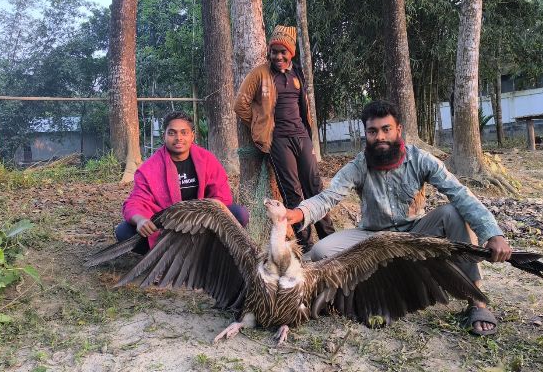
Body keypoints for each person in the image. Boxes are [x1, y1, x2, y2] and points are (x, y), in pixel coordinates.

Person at [285, 100, 512, 336]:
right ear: (366, 134)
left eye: (386, 129)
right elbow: (328, 198)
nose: (380, 137)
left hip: (416, 235)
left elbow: (460, 194)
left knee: (453, 213)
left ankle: (477, 303)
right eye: (373, 131)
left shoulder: (421, 160)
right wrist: (297, 213)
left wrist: (493, 233)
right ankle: (362, 298)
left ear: (398, 130)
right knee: (322, 251)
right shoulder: (359, 165)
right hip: (372, 237)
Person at [233, 25, 334, 251]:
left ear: (291, 53)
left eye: (283, 52)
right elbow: (240, 105)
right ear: (269, 51)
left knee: (315, 187)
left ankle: (329, 239)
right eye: (274, 51)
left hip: (301, 136)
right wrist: (259, 124)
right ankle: (307, 246)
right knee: (293, 191)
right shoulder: (260, 73)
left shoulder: (297, 73)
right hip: (278, 140)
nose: (278, 56)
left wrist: (308, 136)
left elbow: (303, 107)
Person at [116, 111, 249, 254]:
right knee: (124, 232)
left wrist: (202, 215)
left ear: (192, 135)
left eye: (184, 133)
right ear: (164, 136)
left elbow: (222, 196)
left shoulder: (207, 160)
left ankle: (207, 253)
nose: (178, 138)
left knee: (239, 214)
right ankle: (166, 255)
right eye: (172, 133)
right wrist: (141, 220)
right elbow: (134, 202)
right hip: (167, 228)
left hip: (203, 224)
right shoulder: (149, 168)